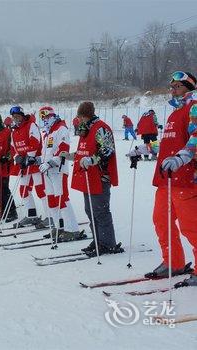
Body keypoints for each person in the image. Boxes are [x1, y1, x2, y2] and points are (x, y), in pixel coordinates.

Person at [128, 72, 197, 286]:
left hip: (185, 179)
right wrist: (146, 148)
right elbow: (168, 144)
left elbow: (195, 137)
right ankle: (173, 262)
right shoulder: (174, 112)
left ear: (188, 87)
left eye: (177, 86)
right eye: (171, 86)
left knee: (191, 226)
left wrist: (182, 157)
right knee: (161, 221)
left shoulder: (193, 107)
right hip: (166, 179)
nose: (173, 89)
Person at [70, 101, 121, 256]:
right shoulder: (87, 129)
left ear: (86, 115)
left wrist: (92, 160)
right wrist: (71, 156)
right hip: (87, 176)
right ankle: (98, 239)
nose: (79, 120)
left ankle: (108, 243)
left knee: (100, 211)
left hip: (99, 176)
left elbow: (107, 150)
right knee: (90, 210)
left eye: (80, 117)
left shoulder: (100, 128)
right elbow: (84, 151)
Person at [36, 106, 85, 242]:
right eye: (42, 117)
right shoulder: (47, 132)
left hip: (58, 169)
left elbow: (63, 151)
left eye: (46, 117)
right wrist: (39, 160)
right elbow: (46, 152)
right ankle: (59, 227)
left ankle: (72, 229)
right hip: (47, 171)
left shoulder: (60, 128)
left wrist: (51, 162)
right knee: (51, 200)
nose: (44, 120)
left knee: (62, 198)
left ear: (52, 116)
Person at [9, 106, 47, 227]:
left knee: (41, 190)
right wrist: (16, 157)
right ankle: (31, 215)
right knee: (24, 191)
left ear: (22, 115)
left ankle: (50, 216)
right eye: (14, 117)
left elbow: (35, 142)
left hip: (34, 163)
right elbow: (13, 148)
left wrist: (29, 157)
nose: (16, 119)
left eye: (18, 116)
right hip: (24, 165)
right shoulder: (14, 131)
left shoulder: (31, 125)